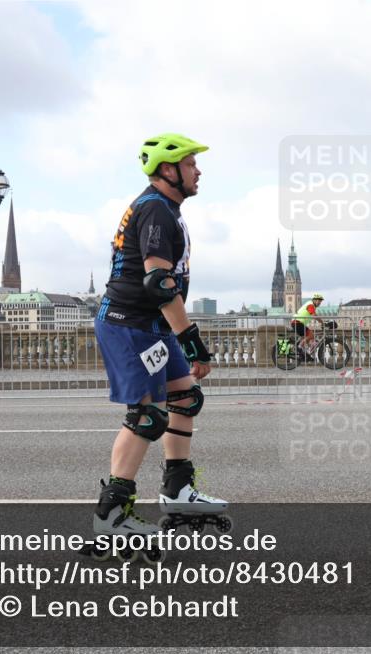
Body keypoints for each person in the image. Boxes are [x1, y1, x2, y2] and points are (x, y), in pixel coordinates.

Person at [90, 133, 225, 548]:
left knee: (186, 400)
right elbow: (159, 282)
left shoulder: (164, 208)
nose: (198, 170)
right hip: (128, 323)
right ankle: (112, 514)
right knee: (147, 417)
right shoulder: (156, 212)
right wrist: (192, 341)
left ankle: (177, 490)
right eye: (190, 163)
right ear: (169, 170)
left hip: (149, 325)